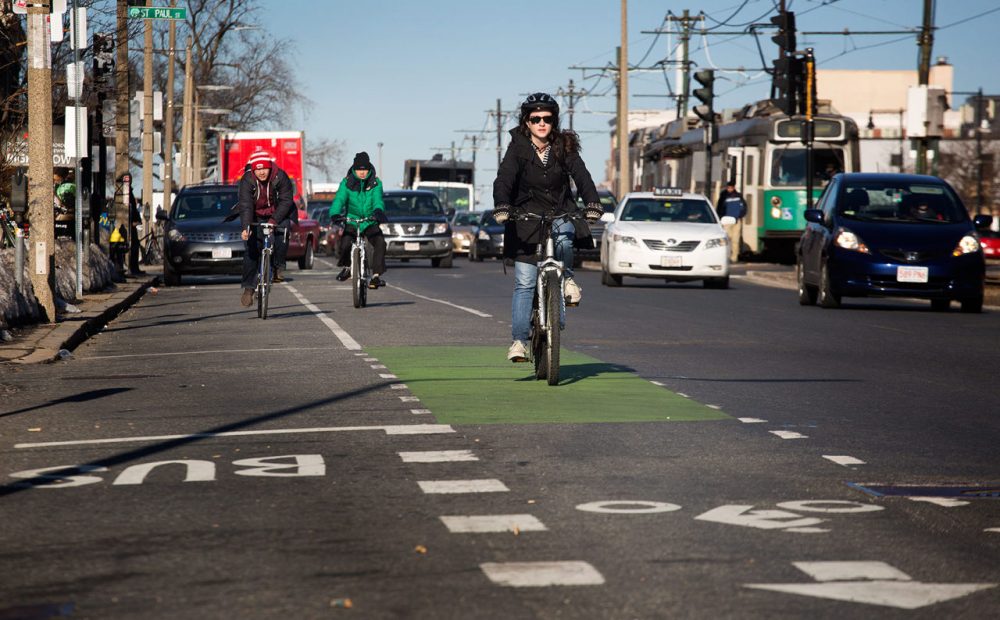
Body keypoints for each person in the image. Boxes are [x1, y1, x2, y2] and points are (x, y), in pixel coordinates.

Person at [493, 92, 603, 363]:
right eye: (535, 118)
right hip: (526, 218)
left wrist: (592, 203)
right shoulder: (517, 148)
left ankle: (566, 278)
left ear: (554, 120)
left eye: (547, 118)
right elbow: (505, 178)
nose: (542, 123)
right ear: (526, 122)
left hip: (559, 211)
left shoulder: (564, 146)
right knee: (525, 283)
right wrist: (502, 206)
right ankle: (519, 340)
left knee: (565, 238)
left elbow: (582, 175)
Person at [237, 151, 295, 307]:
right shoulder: (247, 180)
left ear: (270, 167)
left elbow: (286, 201)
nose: (261, 172)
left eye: (264, 169)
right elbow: (246, 205)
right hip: (255, 216)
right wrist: (246, 227)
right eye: (258, 169)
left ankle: (277, 267)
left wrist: (273, 220)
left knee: (282, 236)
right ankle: (248, 289)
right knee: (251, 250)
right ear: (253, 170)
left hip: (278, 214)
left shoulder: (280, 177)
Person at [329, 152, 388, 288]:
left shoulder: (375, 183)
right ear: (354, 169)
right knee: (345, 244)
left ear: (369, 169)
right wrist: (335, 213)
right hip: (352, 220)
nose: (362, 172)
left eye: (365, 169)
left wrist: (378, 211)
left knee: (380, 242)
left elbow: (378, 200)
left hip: (369, 220)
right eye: (359, 169)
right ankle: (347, 267)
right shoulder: (346, 182)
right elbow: (339, 199)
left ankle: (376, 276)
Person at [114, 171, 144, 276]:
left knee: (135, 245)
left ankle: (134, 267)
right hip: (127, 224)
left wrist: (137, 219)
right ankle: (130, 267)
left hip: (131, 223)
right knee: (129, 246)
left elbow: (133, 209)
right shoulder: (122, 193)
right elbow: (125, 209)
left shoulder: (128, 192)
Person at [715, 181, 747, 263]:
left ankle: (734, 257)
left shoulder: (739, 196)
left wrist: (740, 215)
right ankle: (726, 256)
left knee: (735, 240)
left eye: (731, 187)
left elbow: (744, 207)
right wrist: (721, 217)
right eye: (729, 187)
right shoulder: (723, 196)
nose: (730, 189)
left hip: (736, 220)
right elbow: (719, 207)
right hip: (726, 221)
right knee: (727, 238)